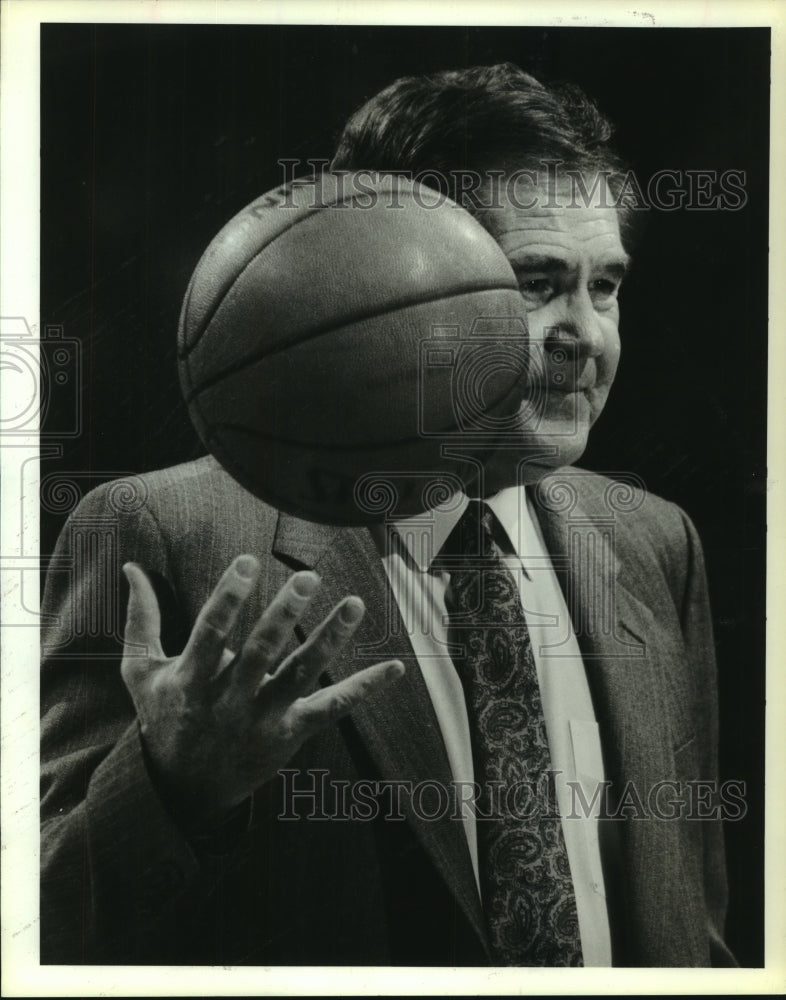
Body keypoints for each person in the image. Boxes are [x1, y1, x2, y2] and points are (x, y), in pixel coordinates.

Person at [40, 64, 736, 966]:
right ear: (377, 278)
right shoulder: (162, 532)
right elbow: (40, 923)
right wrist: (174, 786)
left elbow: (697, 924)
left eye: (603, 287)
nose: (586, 335)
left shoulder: (655, 541)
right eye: (535, 284)